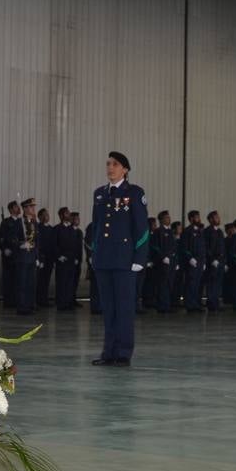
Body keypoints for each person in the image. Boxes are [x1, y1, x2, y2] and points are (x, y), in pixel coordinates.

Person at [89, 151, 149, 367]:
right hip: (104, 260)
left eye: (114, 164)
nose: (110, 168)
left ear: (125, 169)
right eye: (108, 164)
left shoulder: (134, 193)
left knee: (124, 309)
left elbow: (142, 228)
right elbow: (96, 228)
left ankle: (123, 353)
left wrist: (139, 257)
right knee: (109, 309)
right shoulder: (99, 194)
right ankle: (109, 352)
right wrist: (94, 254)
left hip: (125, 261)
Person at [13, 198, 39, 314]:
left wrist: (37, 257)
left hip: (32, 256)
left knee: (31, 283)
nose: (33, 209)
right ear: (25, 208)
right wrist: (21, 244)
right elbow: (12, 239)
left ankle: (30, 305)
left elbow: (38, 241)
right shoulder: (19, 222)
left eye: (33, 206)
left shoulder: (34, 222)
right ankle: (22, 307)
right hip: (22, 257)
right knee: (22, 283)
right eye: (31, 207)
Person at [54, 208, 83, 312]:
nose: (69, 215)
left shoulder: (72, 230)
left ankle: (68, 303)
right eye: (67, 213)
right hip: (62, 261)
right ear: (61, 216)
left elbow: (75, 246)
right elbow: (54, 244)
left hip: (71, 261)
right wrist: (58, 256)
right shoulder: (57, 228)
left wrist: (76, 258)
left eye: (69, 213)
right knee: (62, 282)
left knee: (70, 283)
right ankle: (61, 304)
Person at [0, 201, 21, 308]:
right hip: (8, 255)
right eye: (16, 207)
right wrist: (4, 249)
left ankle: (16, 301)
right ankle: (8, 302)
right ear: (11, 210)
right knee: (8, 279)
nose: (18, 208)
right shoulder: (6, 222)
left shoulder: (22, 222)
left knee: (18, 279)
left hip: (18, 254)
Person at [180, 210, 205, 311]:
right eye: (197, 217)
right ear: (191, 219)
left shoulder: (200, 231)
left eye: (199, 217)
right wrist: (190, 258)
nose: (199, 219)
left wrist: (204, 261)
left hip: (200, 261)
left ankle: (195, 303)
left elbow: (203, 247)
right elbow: (184, 247)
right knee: (191, 283)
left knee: (197, 284)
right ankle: (189, 304)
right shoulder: (187, 231)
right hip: (192, 261)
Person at [152, 211, 176, 312]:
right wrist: (163, 257)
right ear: (161, 220)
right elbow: (155, 246)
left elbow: (174, 247)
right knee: (162, 284)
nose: (168, 219)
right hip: (162, 263)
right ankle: (162, 306)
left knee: (169, 283)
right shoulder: (158, 231)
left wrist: (174, 259)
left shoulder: (170, 232)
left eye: (169, 217)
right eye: (166, 218)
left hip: (171, 261)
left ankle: (167, 304)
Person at [35, 208, 56, 308]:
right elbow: (38, 245)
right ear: (39, 217)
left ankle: (44, 300)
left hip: (49, 259)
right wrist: (40, 258)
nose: (46, 216)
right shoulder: (37, 228)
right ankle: (37, 300)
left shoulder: (51, 229)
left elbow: (53, 245)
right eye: (44, 215)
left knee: (46, 280)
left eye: (47, 214)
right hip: (41, 258)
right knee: (39, 280)